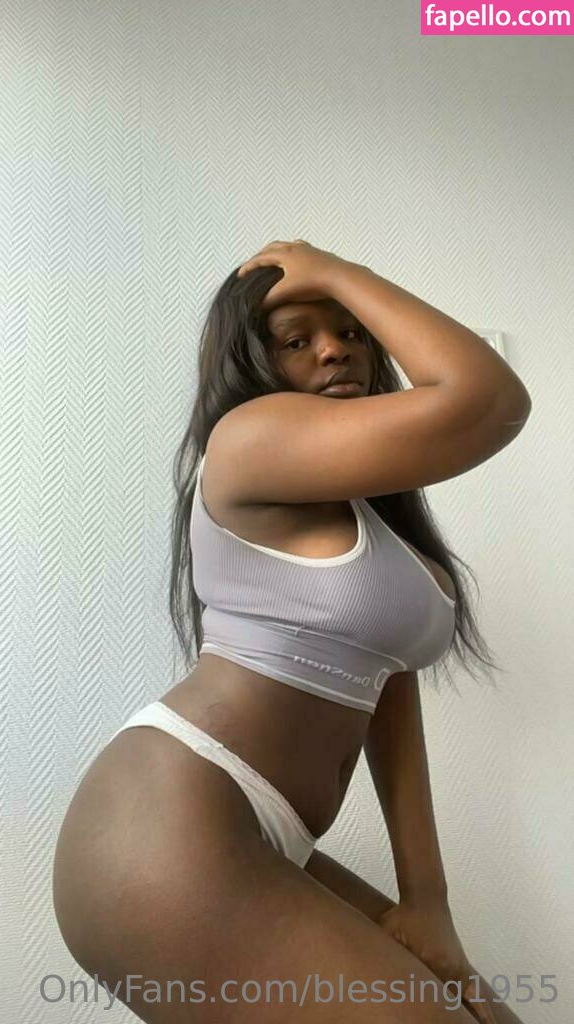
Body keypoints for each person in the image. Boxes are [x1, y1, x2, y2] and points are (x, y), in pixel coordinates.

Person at [52, 240, 532, 1023]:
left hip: (257, 833)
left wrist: (427, 901)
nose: (335, 348)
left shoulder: (367, 519)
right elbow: (485, 399)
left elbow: (385, 684)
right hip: (169, 820)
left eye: (350, 330)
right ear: (253, 363)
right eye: (297, 339)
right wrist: (341, 272)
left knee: (486, 1016)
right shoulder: (250, 438)